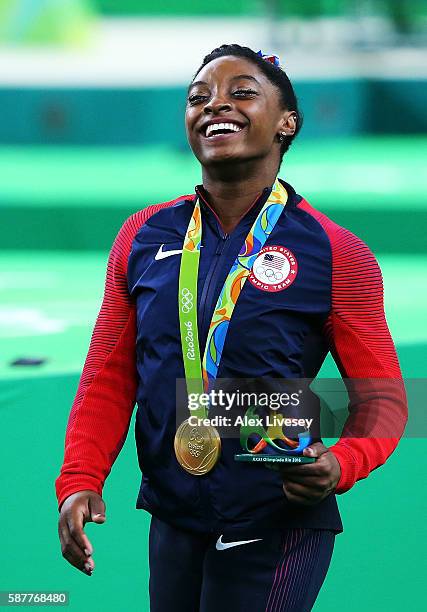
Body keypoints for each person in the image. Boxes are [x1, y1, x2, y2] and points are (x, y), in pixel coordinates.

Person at [55, 44, 407, 611]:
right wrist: (79, 477)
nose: (216, 104)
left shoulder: (337, 251)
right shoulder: (142, 235)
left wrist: (342, 463)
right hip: (172, 515)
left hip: (277, 519)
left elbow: (383, 397)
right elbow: (108, 376)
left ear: (287, 122)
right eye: (199, 97)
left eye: (243, 92)